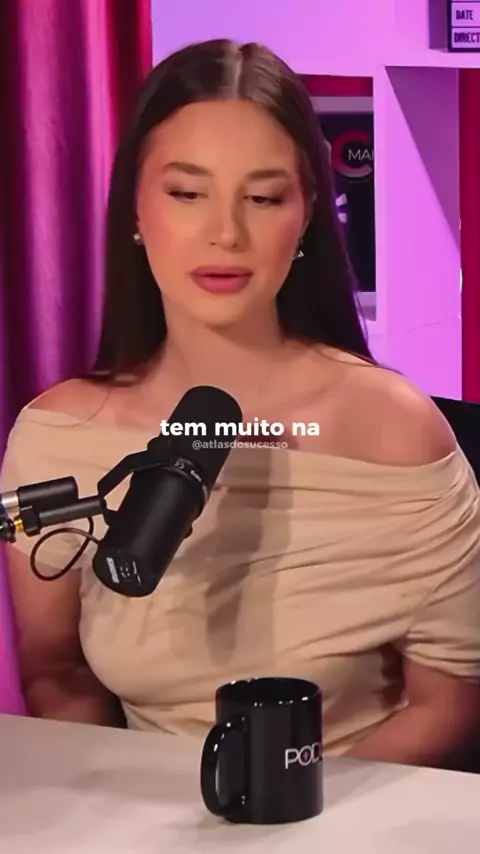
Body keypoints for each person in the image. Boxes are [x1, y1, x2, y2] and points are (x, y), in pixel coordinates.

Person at [1, 38, 480, 769]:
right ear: (135, 207)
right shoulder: (57, 436)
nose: (225, 233)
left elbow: (451, 703)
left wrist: (290, 800)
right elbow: (57, 673)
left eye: (263, 198)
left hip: (351, 806)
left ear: (306, 215)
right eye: (187, 194)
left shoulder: (395, 431)